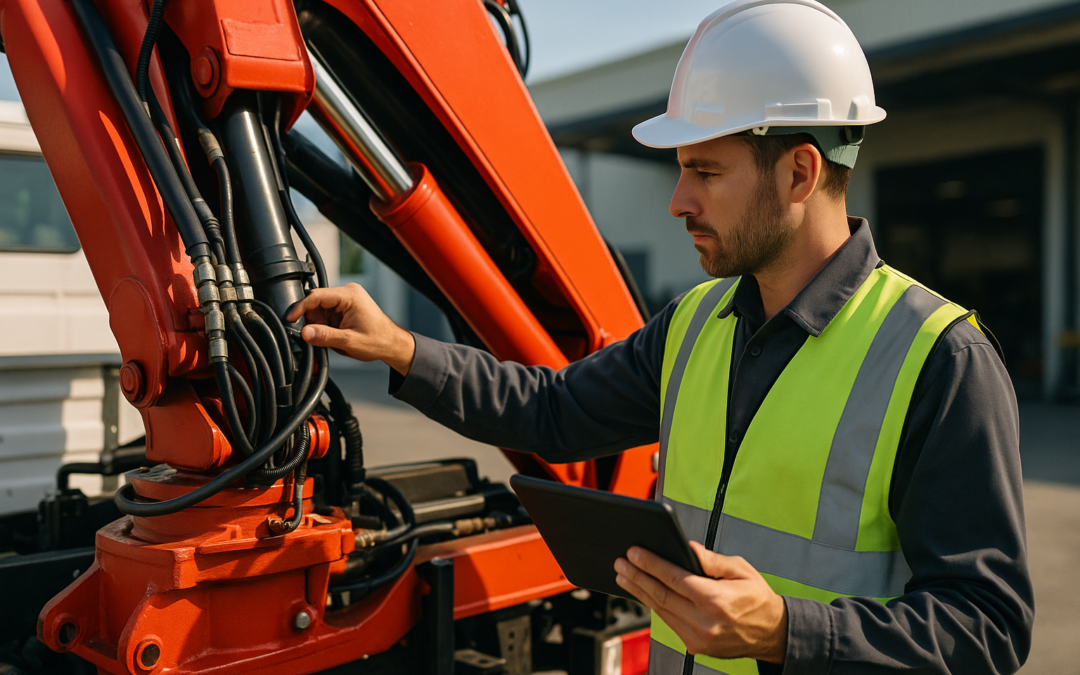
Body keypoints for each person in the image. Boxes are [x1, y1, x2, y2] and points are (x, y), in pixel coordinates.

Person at [286, 1, 1033, 672]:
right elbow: (553, 410)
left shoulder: (938, 358)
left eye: (706, 171)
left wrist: (786, 630)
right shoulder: (695, 324)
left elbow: (988, 628)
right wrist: (402, 349)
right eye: (681, 171)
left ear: (801, 171)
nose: (679, 200)